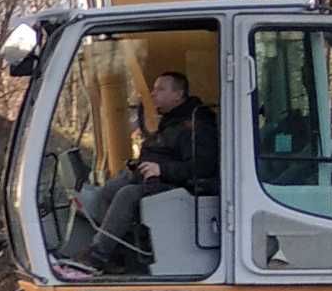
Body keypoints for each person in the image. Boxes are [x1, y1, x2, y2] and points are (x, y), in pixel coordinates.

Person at [67, 70, 220, 275]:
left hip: (183, 186)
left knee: (127, 194)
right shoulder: (172, 120)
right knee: (110, 189)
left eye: (160, 89)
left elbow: (203, 167)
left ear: (178, 94)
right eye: (153, 89)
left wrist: (161, 169)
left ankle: (98, 254)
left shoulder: (197, 125)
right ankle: (118, 256)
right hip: (155, 177)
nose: (153, 93)